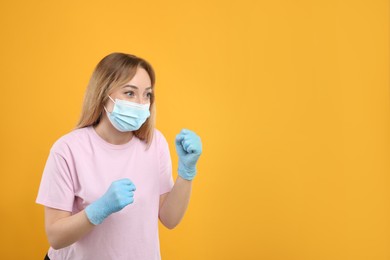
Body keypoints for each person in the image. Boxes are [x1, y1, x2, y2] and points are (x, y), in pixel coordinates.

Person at [36, 52, 203, 260]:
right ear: (103, 94)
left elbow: (170, 219)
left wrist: (186, 172)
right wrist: (99, 209)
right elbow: (56, 237)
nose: (141, 102)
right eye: (130, 93)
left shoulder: (154, 143)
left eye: (147, 94)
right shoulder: (67, 149)